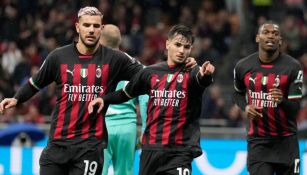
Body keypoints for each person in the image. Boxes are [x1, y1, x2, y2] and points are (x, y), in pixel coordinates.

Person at [0, 7, 145, 175]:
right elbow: (35, 83)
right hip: (57, 145)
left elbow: (147, 76)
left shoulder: (115, 59)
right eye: (87, 25)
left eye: (96, 26)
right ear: (77, 27)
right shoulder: (58, 57)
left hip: (90, 147)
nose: (91, 30)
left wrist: (112, 97)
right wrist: (16, 99)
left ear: (102, 29)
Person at [89, 24, 215, 175]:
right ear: (167, 43)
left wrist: (206, 75)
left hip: (179, 151)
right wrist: (105, 100)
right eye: (177, 45)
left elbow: (201, 80)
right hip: (151, 150)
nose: (181, 50)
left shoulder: (192, 72)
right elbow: (126, 93)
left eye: (186, 47)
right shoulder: (150, 73)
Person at [233, 21, 303, 175]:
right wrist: (246, 106)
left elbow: (295, 108)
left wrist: (282, 101)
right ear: (258, 38)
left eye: (275, 33)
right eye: (266, 32)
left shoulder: (292, 67)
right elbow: (237, 93)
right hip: (258, 143)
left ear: (280, 41)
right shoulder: (243, 66)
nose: (271, 35)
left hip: (286, 142)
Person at [100, 24, 148, 175]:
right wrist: (146, 129)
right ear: (119, 41)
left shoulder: (94, 65)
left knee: (97, 171)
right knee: (125, 173)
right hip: (128, 127)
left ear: (100, 39)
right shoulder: (135, 66)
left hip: (102, 126)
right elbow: (146, 99)